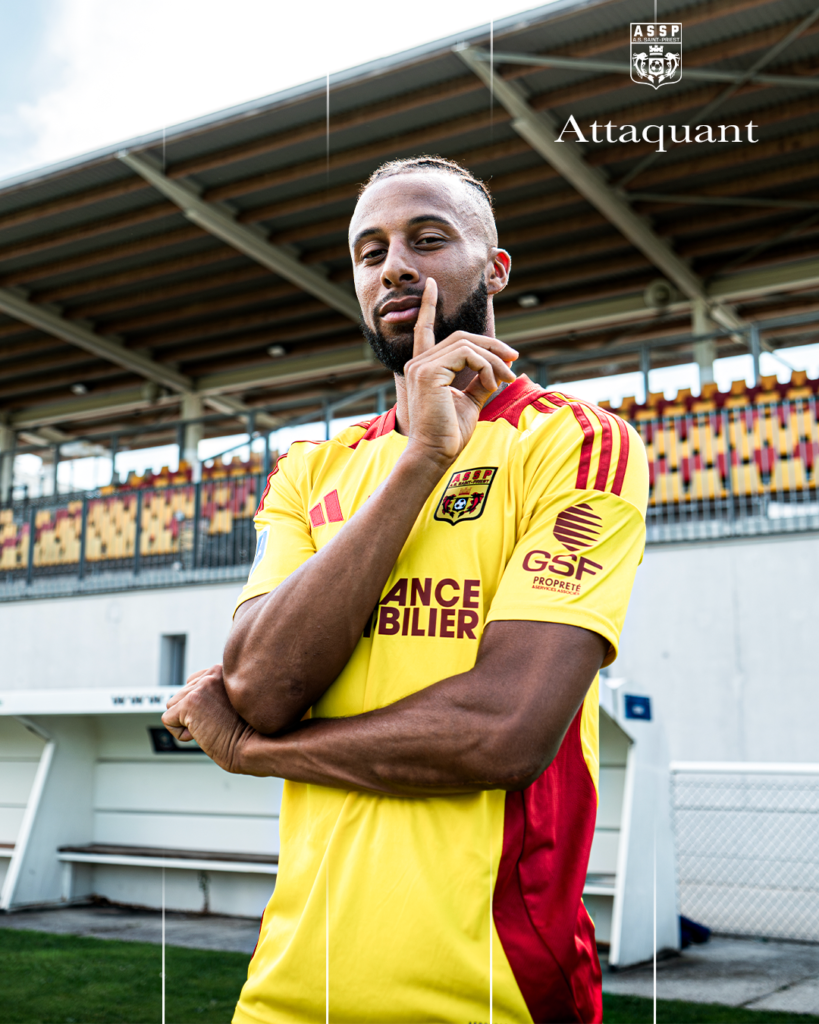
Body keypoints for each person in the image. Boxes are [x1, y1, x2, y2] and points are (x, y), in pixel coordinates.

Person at [163, 155, 648, 1024]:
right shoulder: (312, 467)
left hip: (491, 992)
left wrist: (256, 754)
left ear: (493, 270)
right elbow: (260, 690)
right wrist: (421, 460)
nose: (393, 266)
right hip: (285, 992)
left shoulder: (577, 443)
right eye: (369, 251)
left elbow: (501, 732)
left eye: (427, 240)